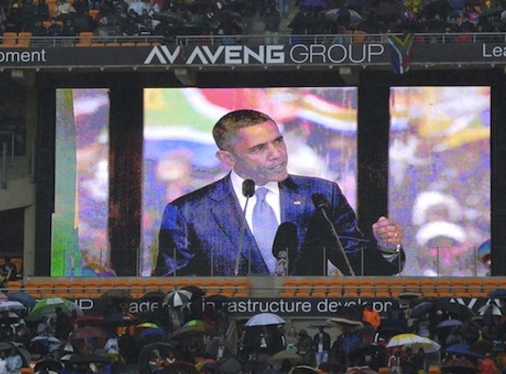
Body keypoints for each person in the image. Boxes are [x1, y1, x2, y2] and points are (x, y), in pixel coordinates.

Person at [153, 109, 405, 276]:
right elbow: (172, 286)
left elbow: (358, 267)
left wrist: (385, 248)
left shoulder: (319, 196)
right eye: (258, 148)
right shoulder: (189, 211)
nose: (277, 154)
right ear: (227, 158)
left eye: (278, 141)